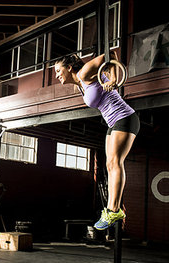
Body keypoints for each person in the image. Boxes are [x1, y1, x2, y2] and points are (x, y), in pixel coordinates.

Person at [54, 51, 140, 230]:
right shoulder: (80, 85)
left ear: (69, 68)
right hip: (113, 121)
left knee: (115, 162)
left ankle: (113, 210)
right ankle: (112, 209)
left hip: (125, 117)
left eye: (58, 71)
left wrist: (114, 78)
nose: (57, 76)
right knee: (109, 165)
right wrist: (108, 75)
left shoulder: (84, 73)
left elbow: (111, 54)